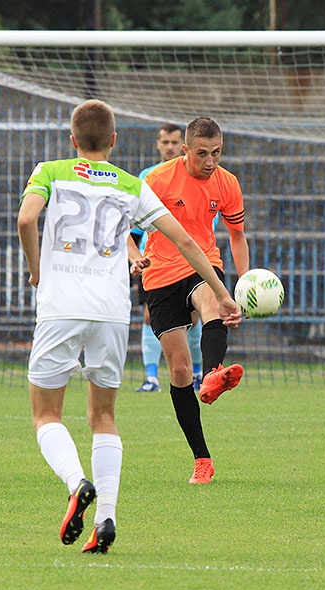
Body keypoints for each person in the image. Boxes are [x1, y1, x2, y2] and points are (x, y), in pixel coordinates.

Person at [18, 100, 241, 553]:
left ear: (72, 140)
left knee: (46, 414)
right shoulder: (129, 183)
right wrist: (222, 291)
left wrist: (36, 268)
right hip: (111, 310)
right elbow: (184, 240)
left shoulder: (51, 170)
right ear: (115, 140)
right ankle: (106, 520)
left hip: (62, 306)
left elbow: (26, 219)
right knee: (103, 416)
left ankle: (75, 481)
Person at [141, 117, 250, 484]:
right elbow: (126, 226)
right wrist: (130, 255)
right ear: (185, 149)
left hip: (203, 262)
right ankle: (202, 459)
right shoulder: (157, 180)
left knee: (213, 302)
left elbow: (237, 235)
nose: (210, 161)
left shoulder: (227, 184)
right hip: (159, 273)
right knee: (180, 371)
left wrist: (244, 284)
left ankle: (215, 371)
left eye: (216, 153)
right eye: (201, 153)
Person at [133, 123, 205, 393]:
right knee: (150, 316)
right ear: (158, 144)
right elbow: (138, 225)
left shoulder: (199, 176)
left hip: (189, 258)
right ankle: (151, 377)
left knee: (194, 317)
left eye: (174, 142)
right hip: (154, 259)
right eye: (165, 142)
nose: (170, 147)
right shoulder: (147, 176)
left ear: (183, 146)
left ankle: (197, 373)